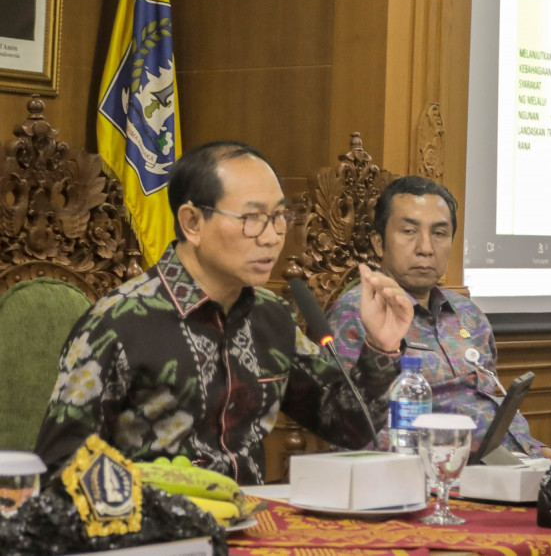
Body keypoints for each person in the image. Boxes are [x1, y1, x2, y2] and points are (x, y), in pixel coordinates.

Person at [34, 141, 413, 484]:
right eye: (252, 219)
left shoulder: (271, 316)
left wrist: (381, 347)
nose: (272, 237)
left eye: (280, 216)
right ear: (192, 223)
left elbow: (348, 426)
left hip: (252, 520)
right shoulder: (119, 322)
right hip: (152, 525)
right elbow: (60, 470)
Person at [326, 175, 551, 459]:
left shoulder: (468, 314)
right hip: (433, 471)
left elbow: (493, 401)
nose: (426, 248)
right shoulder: (358, 313)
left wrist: (536, 451)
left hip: (508, 464)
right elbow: (351, 431)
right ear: (378, 242)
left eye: (439, 233)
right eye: (409, 231)